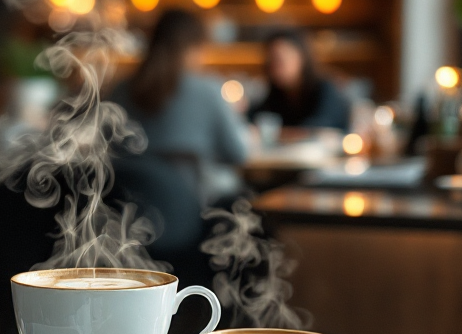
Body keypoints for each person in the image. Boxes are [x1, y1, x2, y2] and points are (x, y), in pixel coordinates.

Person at [110, 10, 247, 202]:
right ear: (193, 48)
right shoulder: (208, 91)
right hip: (194, 209)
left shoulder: (120, 91)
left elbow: (109, 151)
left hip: (130, 210)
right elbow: (237, 154)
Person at [249, 28, 351, 132]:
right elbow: (255, 118)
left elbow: (318, 127)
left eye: (280, 60)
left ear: (302, 57)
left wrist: (277, 133)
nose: (274, 68)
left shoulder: (325, 88)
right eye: (271, 62)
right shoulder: (278, 94)